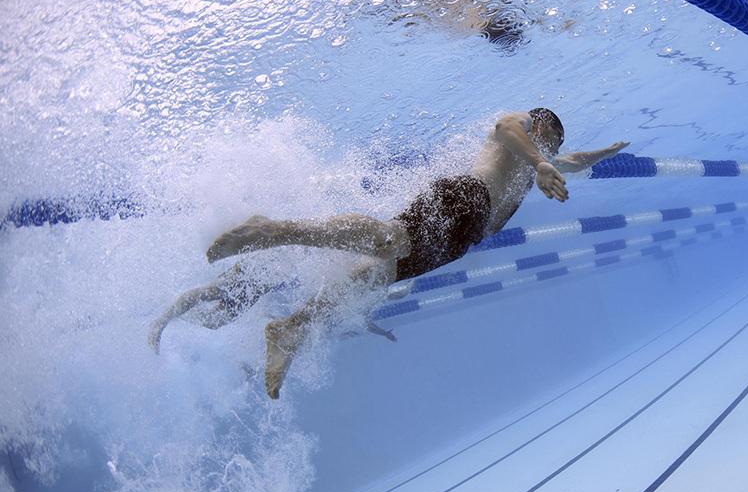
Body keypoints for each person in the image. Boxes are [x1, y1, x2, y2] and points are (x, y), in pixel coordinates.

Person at [161, 109, 628, 399]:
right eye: (552, 141)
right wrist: (542, 160)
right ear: (542, 125)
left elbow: (573, 160)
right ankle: (271, 230)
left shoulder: (538, 166)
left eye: (554, 148)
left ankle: (291, 328)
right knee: (387, 241)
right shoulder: (523, 131)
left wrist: (602, 153)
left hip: (460, 240)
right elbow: (507, 129)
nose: (553, 150)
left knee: (372, 278)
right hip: (464, 197)